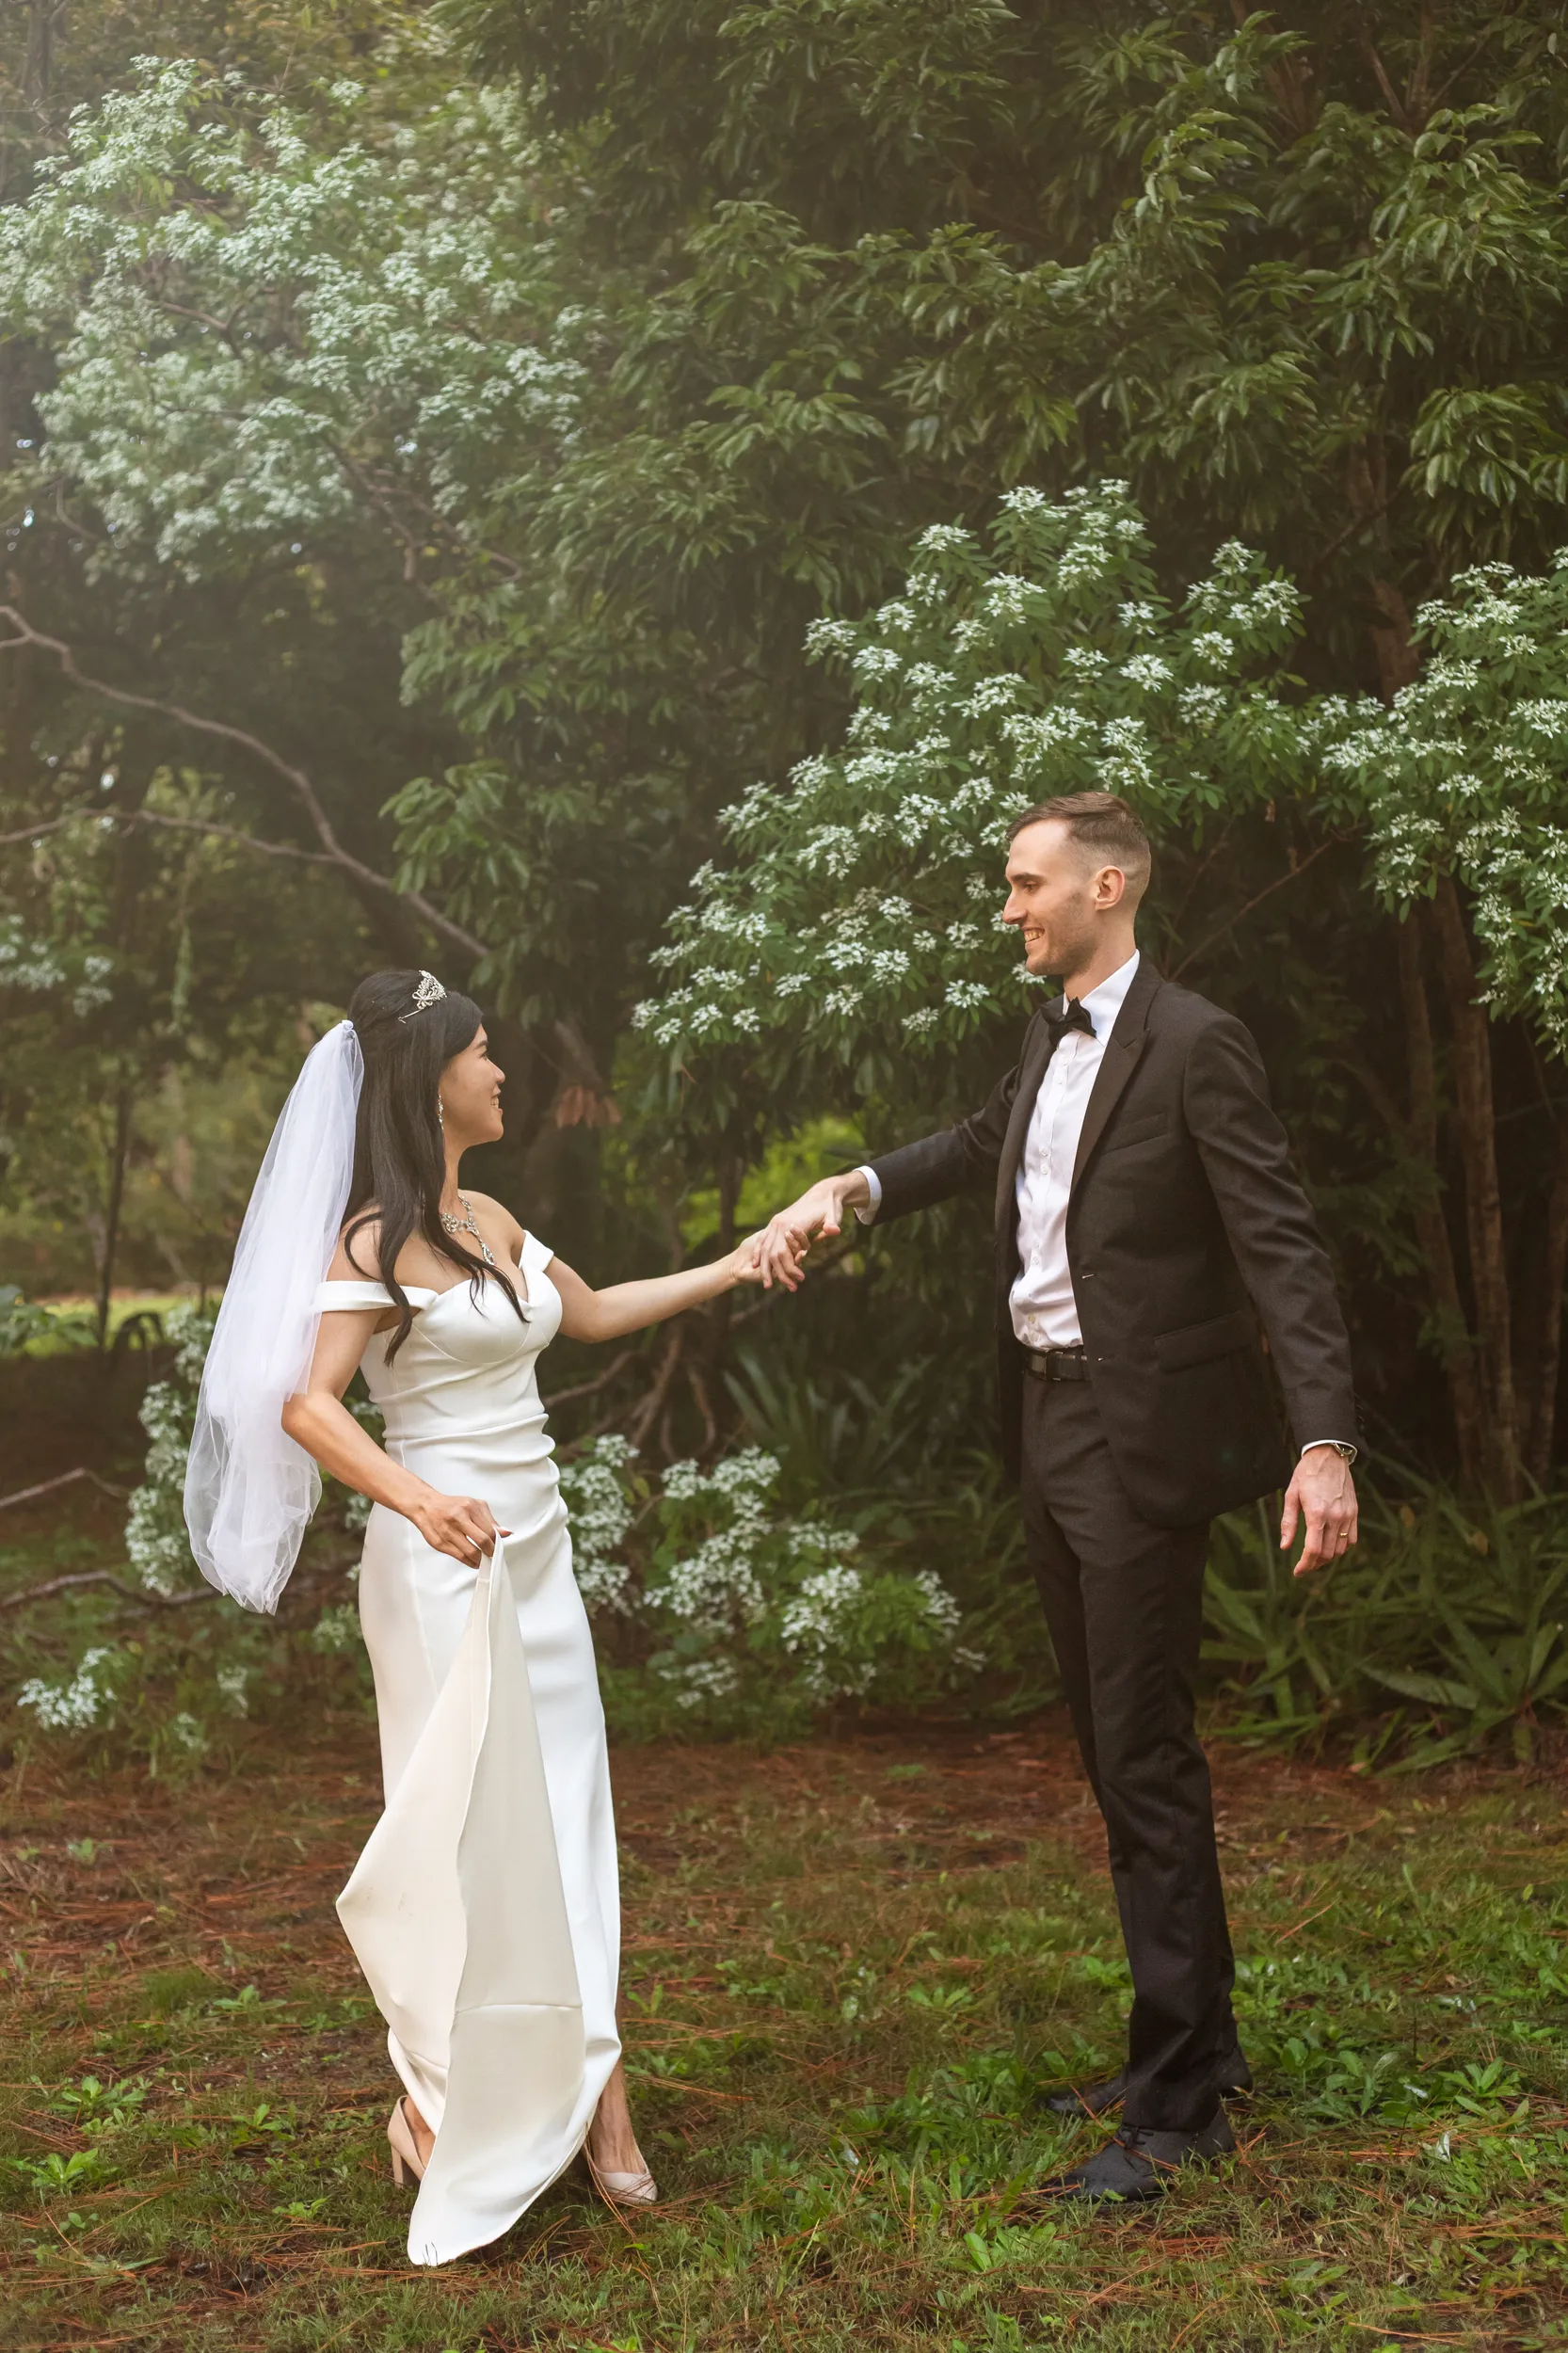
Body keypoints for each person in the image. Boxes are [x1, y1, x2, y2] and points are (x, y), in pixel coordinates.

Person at [756, 792, 1359, 2204]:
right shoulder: (1045, 1032)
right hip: (1043, 1423)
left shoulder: (1198, 1046)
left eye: (1024, 884)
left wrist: (1322, 1443)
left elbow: (1283, 1250)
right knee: (1113, 1753)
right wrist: (846, 1186)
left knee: (1143, 1763)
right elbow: (980, 1146)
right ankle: (1194, 2050)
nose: (1006, 907)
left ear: (1106, 886)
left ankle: (1177, 2117)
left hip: (1136, 1440)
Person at [184, 968, 766, 2265]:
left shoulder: (493, 1216)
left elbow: (599, 1310)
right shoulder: (367, 1247)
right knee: (463, 1835)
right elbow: (308, 1405)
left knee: (567, 1819)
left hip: (539, 1553)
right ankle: (439, 2100)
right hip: (440, 1563)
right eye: (484, 1053)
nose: (502, 1072)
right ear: (428, 1080)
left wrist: (740, 1259)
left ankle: (595, 2087)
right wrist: (417, 1498)